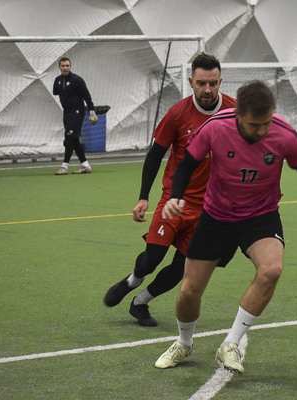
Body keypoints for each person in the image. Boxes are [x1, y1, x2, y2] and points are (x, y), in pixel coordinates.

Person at [154, 80, 297, 374]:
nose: (262, 130)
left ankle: (231, 343)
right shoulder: (215, 127)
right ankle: (184, 343)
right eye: (254, 125)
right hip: (216, 215)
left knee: (271, 270)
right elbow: (186, 163)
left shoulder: (284, 134)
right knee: (189, 291)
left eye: (266, 123)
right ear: (238, 115)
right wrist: (176, 196)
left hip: (261, 215)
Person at [103, 52, 236, 326]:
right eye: (201, 83)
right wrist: (143, 197)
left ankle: (140, 303)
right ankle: (133, 279)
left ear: (220, 82)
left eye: (213, 83)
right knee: (152, 259)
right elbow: (155, 155)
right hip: (174, 201)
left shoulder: (234, 111)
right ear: (190, 82)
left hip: (208, 210)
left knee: (182, 267)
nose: (207, 89)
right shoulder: (177, 113)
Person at [53, 57, 97, 175]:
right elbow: (56, 92)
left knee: (68, 139)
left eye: (67, 66)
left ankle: (64, 167)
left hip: (77, 112)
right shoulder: (57, 80)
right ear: (59, 67)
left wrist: (92, 112)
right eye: (63, 66)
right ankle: (86, 166)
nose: (65, 68)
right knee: (75, 139)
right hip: (66, 112)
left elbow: (87, 96)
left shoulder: (77, 80)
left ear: (70, 67)